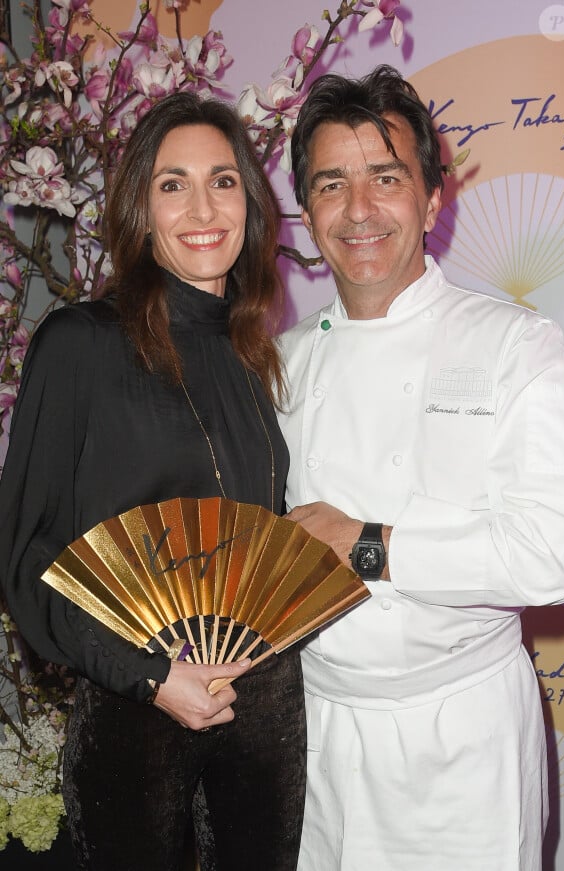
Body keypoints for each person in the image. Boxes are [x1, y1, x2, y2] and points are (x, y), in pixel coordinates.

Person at [277, 64, 564, 871]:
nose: (360, 209)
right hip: (320, 739)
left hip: (464, 742)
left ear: (433, 198)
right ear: (307, 214)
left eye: (386, 177)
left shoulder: (518, 345)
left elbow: (549, 555)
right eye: (331, 185)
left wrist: (366, 542)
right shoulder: (279, 364)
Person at [0, 92, 306, 871]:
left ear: (251, 201)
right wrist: (151, 674)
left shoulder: (252, 353)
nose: (202, 206)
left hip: (262, 726)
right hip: (136, 721)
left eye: (224, 180)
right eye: (173, 183)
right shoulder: (81, 344)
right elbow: (27, 560)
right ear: (140, 204)